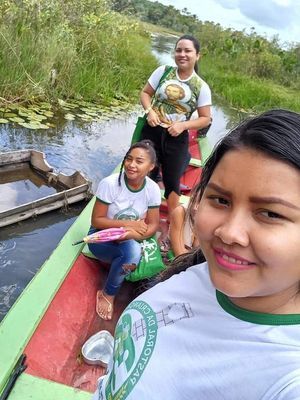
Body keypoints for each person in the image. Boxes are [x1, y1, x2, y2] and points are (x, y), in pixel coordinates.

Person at [93, 109, 300, 399]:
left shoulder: (288, 377)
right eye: (221, 199)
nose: (228, 233)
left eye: (270, 213)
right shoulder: (200, 271)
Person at [88, 140, 161, 321]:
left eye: (139, 161)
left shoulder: (152, 189)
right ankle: (107, 294)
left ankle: (122, 263)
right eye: (129, 159)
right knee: (133, 253)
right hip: (101, 238)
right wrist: (128, 226)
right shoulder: (110, 184)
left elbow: (153, 225)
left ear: (151, 166)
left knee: (132, 252)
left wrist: (132, 234)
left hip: (130, 237)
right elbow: (97, 220)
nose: (132, 165)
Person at [140, 34, 212, 215]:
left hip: (176, 136)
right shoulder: (163, 71)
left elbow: (205, 119)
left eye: (188, 51)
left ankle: (173, 224)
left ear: (197, 56)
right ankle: (137, 212)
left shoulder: (200, 86)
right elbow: (145, 93)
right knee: (143, 172)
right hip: (152, 131)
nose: (182, 54)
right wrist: (150, 111)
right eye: (179, 50)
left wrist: (183, 126)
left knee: (172, 181)